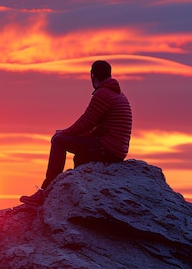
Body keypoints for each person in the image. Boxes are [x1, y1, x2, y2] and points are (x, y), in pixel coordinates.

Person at [20, 60, 132, 206]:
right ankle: (77, 195)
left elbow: (86, 122)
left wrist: (63, 133)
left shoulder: (103, 94)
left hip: (108, 149)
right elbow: (94, 128)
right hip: (114, 150)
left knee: (59, 141)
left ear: (93, 76)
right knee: (80, 157)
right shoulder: (117, 94)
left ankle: (45, 191)